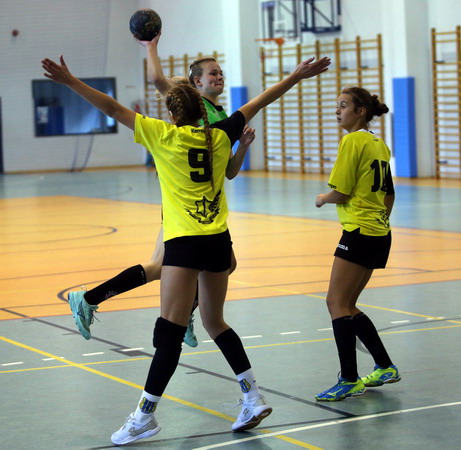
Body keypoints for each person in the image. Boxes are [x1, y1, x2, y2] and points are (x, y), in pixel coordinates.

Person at [42, 52, 330, 444]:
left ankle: (144, 417)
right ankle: (252, 396)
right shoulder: (222, 134)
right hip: (218, 241)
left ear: (173, 114)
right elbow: (259, 102)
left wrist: (71, 81)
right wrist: (296, 75)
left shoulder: (162, 137)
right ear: (201, 109)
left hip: (185, 242)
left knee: (169, 333)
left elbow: (111, 107)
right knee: (215, 322)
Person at [66, 33, 253, 347]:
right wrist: (151, 46)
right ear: (196, 84)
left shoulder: (220, 117)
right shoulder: (195, 107)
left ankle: (180, 311)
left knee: (220, 265)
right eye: (213, 73)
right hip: (185, 209)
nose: (220, 77)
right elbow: (155, 81)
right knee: (161, 266)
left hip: (204, 210)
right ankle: (89, 299)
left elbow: (229, 173)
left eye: (221, 73)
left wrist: (243, 147)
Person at [314, 87, 401, 402]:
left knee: (335, 303)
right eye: (336, 106)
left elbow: (341, 192)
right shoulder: (379, 144)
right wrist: (379, 221)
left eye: (343, 105)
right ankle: (384, 366)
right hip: (379, 232)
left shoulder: (352, 141)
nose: (337, 111)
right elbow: (389, 194)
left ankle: (349, 379)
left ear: (361, 111)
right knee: (348, 304)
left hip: (359, 232)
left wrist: (323, 198)